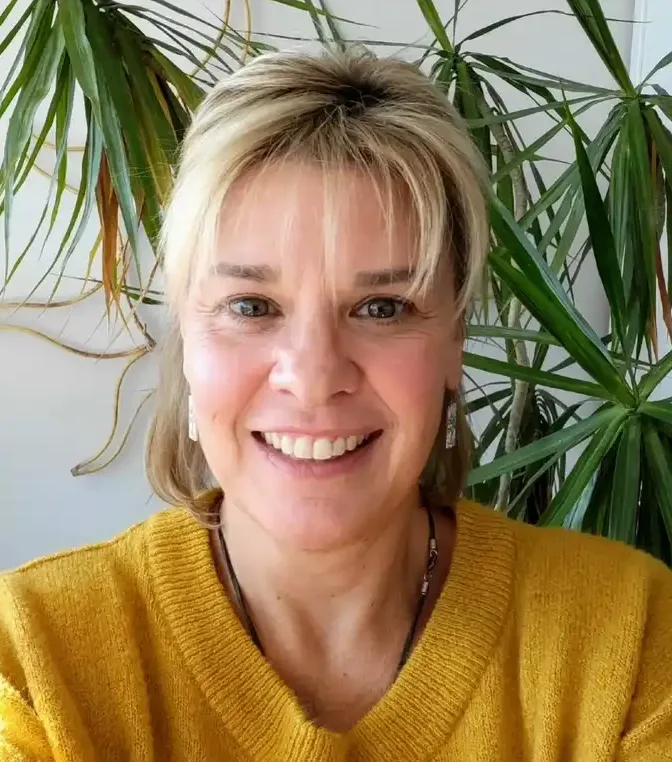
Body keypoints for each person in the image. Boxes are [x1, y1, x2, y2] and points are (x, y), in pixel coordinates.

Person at [1, 49, 671, 762]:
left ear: (455, 340)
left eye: (382, 307)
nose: (315, 377)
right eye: (252, 306)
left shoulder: (629, 641)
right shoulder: (35, 660)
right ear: (188, 344)